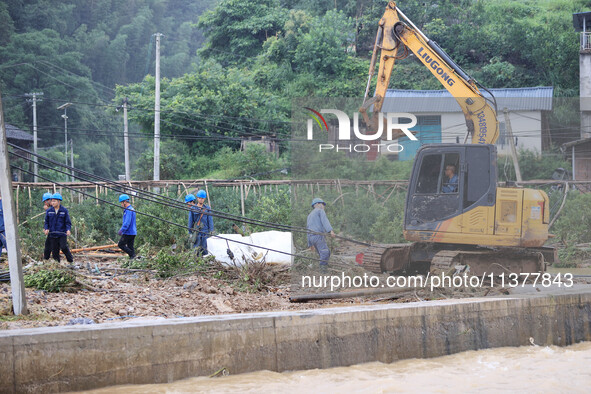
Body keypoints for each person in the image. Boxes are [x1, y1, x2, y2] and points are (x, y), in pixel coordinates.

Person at [44, 193, 74, 263]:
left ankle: (70, 261)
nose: (52, 203)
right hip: (52, 234)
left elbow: (68, 222)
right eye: (52, 201)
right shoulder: (49, 211)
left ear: (59, 201)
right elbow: (46, 222)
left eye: (54, 201)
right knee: (55, 251)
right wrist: (46, 229)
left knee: (63, 247)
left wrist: (68, 230)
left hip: (62, 234)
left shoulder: (64, 211)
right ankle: (57, 265)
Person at [307, 198, 335, 270]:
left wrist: (310, 244)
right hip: (318, 236)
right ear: (317, 204)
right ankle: (323, 270)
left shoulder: (309, 215)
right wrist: (330, 230)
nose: (323, 206)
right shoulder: (320, 211)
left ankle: (322, 266)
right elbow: (325, 221)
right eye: (322, 204)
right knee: (325, 252)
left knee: (324, 252)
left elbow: (308, 229)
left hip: (311, 237)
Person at [186, 190, 213, 255]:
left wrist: (211, 231)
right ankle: (195, 262)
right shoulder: (192, 208)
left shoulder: (207, 208)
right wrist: (190, 232)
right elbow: (190, 221)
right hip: (196, 232)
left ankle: (205, 263)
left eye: (202, 198)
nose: (201, 200)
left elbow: (210, 221)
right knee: (195, 249)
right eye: (199, 198)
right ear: (197, 198)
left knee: (205, 249)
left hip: (205, 232)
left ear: (204, 199)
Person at [117, 194, 137, 259]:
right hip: (133, 232)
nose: (121, 205)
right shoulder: (131, 209)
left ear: (125, 202)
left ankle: (132, 255)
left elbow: (127, 223)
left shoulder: (128, 210)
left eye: (121, 203)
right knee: (130, 247)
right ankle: (132, 260)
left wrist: (122, 230)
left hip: (128, 232)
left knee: (120, 244)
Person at [42, 193, 53, 260]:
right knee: (48, 246)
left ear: (49, 200)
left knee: (63, 247)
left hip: (56, 230)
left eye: (45, 201)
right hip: (51, 230)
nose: (45, 203)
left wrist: (47, 210)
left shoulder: (54, 207)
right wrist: (46, 228)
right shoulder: (50, 208)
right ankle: (46, 260)